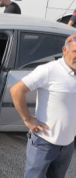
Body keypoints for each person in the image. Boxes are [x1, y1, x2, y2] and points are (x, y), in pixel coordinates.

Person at [10, 34, 76, 178]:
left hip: (68, 144)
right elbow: (16, 90)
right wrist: (27, 119)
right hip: (44, 143)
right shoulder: (49, 70)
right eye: (75, 52)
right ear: (64, 50)